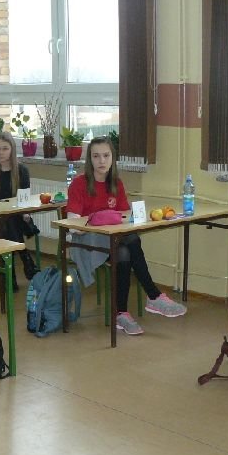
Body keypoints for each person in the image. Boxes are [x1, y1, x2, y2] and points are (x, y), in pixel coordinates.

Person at [66, 136, 187, 335]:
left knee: (124, 250)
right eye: (96, 156)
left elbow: (124, 217)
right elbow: (72, 226)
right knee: (130, 241)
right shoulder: (79, 184)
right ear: (90, 159)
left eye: (106, 155)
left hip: (114, 240)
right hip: (87, 241)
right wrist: (97, 224)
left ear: (113, 158)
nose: (102, 161)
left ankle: (121, 313)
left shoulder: (116, 184)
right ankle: (153, 296)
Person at [0, 132, 40, 289]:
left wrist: (25, 213)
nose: (0, 152)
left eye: (5, 149)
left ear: (12, 149)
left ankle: (10, 275)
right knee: (8, 223)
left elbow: (24, 199)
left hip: (18, 216)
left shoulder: (22, 170)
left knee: (11, 223)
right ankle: (26, 259)